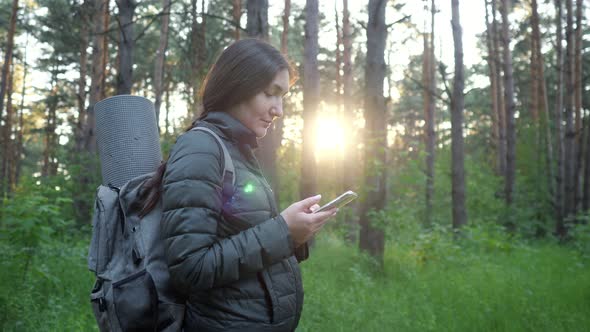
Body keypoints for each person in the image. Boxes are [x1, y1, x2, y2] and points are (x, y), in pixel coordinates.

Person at [140, 38, 337, 331]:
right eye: (271, 94)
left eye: (283, 97)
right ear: (238, 85)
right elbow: (190, 268)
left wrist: (294, 234)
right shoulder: (201, 148)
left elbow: (243, 241)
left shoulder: (235, 150)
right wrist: (282, 229)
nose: (279, 110)